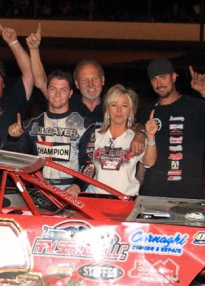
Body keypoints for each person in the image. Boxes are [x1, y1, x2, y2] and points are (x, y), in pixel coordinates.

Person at [2, 70, 94, 196]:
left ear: (70, 93)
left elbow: (89, 163)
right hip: (40, 191)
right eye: (53, 89)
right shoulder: (31, 125)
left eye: (63, 90)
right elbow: (12, 160)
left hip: (72, 194)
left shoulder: (83, 126)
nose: (57, 94)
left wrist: (77, 186)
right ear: (46, 91)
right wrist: (12, 138)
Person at [139, 58, 205, 199]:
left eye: (162, 77)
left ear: (174, 77)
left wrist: (204, 91)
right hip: (153, 194)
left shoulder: (195, 106)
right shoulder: (149, 111)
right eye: (154, 79)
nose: (159, 84)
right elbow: (144, 155)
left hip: (188, 195)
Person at [86, 84, 158, 195]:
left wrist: (151, 135)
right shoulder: (94, 135)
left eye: (124, 106)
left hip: (124, 201)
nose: (119, 110)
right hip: (95, 199)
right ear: (107, 109)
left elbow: (149, 162)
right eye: (114, 105)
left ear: (130, 110)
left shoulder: (135, 138)